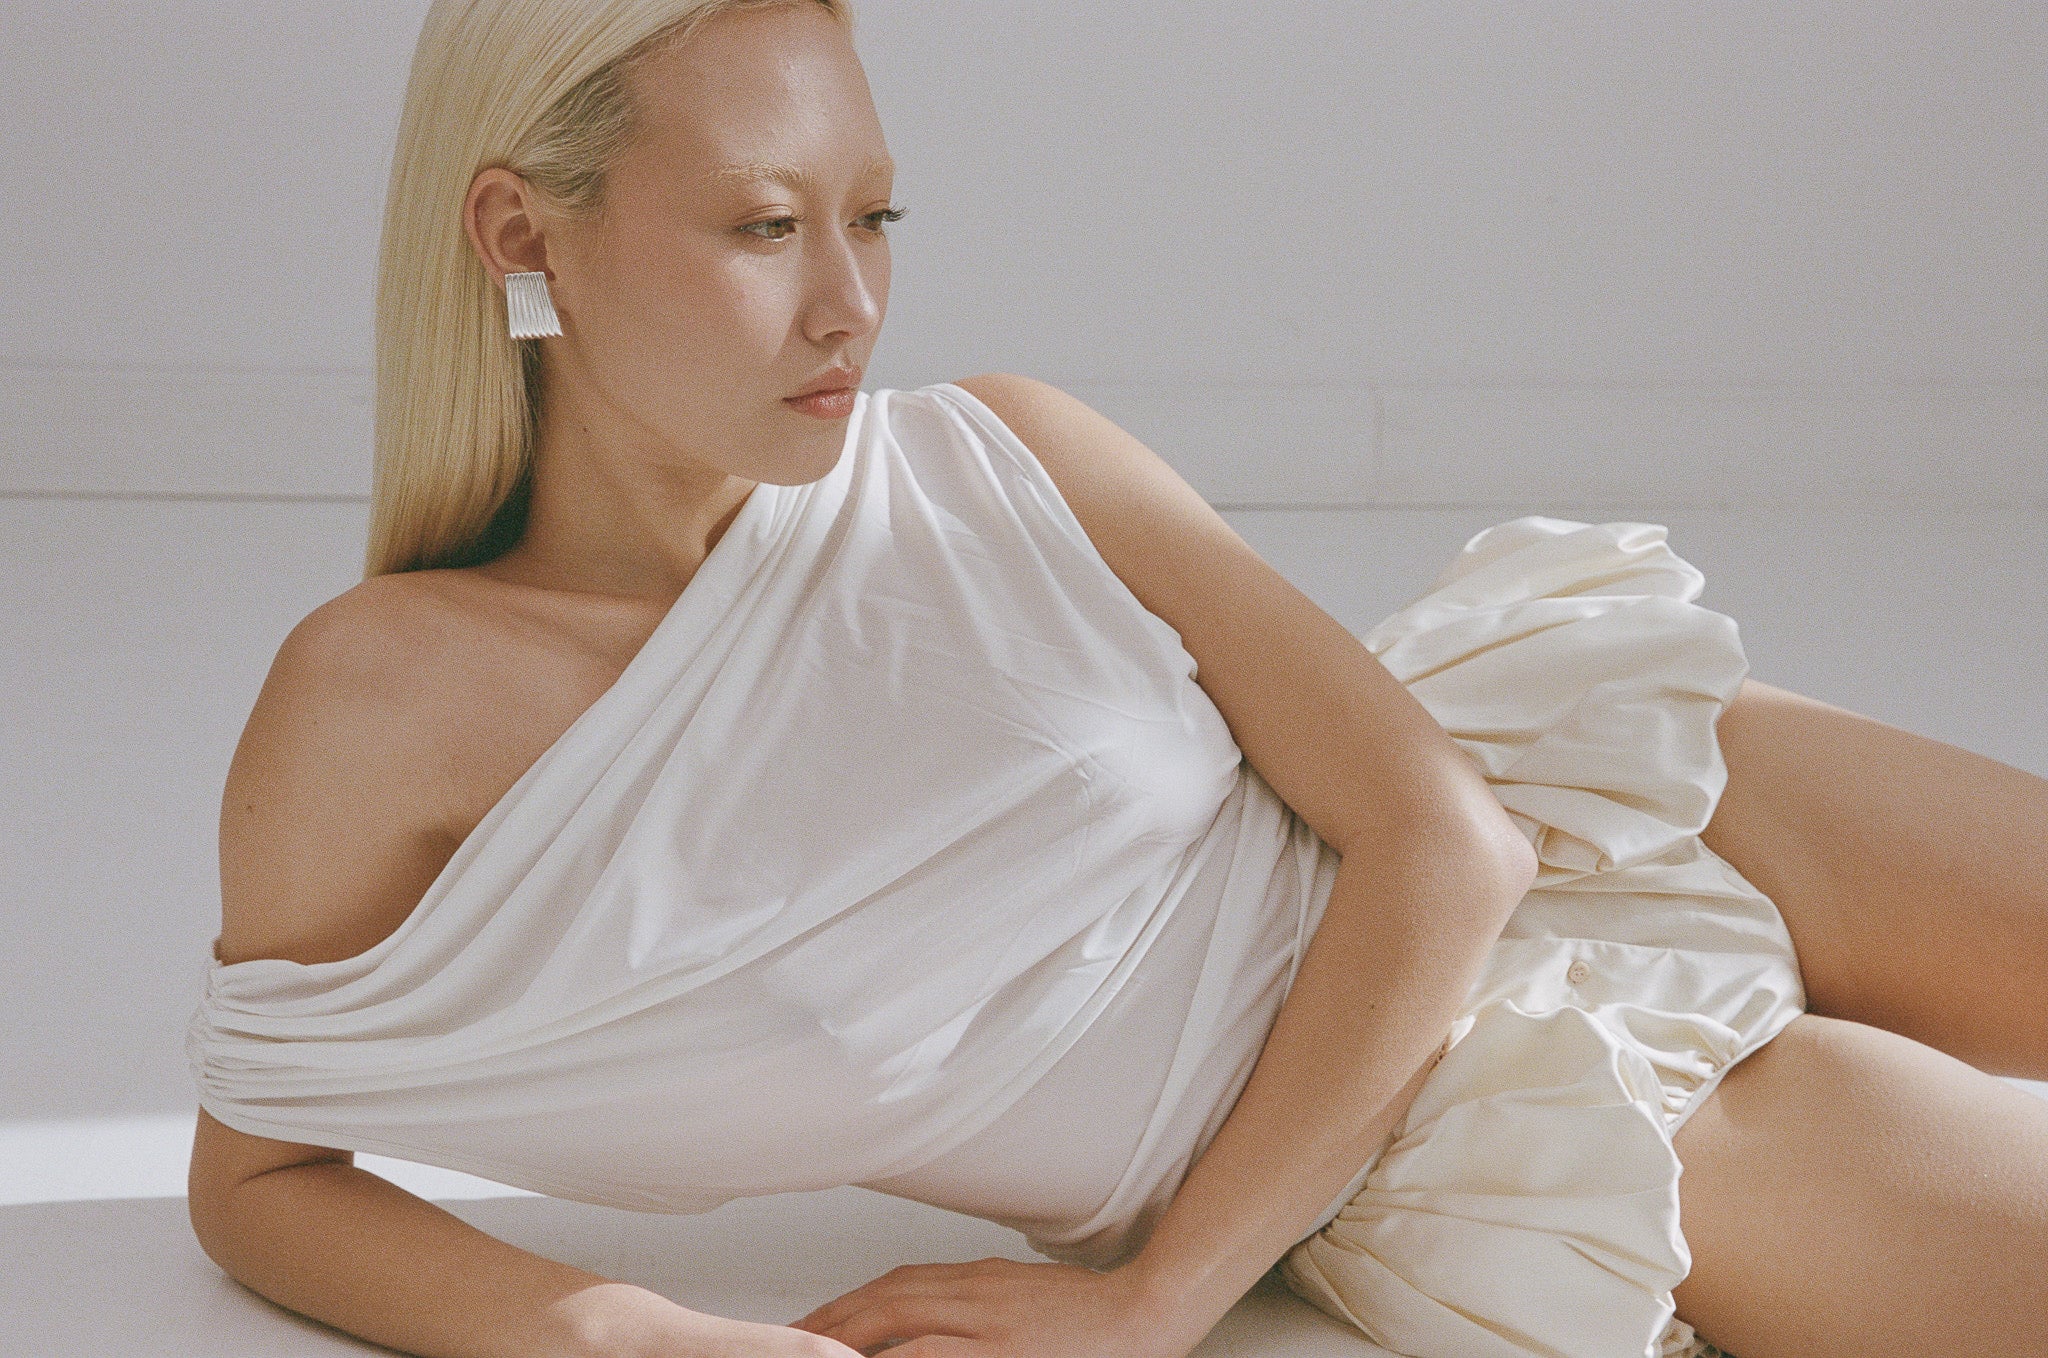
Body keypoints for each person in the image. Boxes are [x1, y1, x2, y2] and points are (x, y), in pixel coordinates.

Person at [182, 2, 2048, 1356]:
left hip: (1575, 797)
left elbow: (1446, 834)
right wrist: (616, 1329)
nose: (849, 301)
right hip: (1456, 1106)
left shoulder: (1004, 449)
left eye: (874, 216)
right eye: (764, 226)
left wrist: (1162, 1301)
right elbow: (254, 1173)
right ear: (523, 236)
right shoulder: (383, 698)